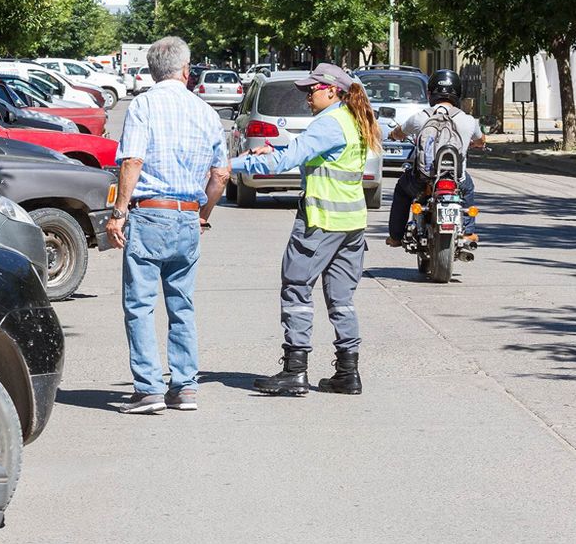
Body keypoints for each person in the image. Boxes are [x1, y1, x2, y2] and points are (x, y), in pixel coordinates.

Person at [230, 62, 381, 396]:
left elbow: (284, 162)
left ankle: (295, 370)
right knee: (341, 298)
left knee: (296, 288)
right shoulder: (352, 119)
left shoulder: (328, 123)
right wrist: (279, 148)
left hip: (320, 222)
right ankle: (347, 372)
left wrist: (229, 165)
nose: (307, 96)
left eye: (311, 89)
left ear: (332, 90)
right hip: (351, 225)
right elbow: (312, 154)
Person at [107, 36, 231, 414]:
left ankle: (148, 389)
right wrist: (202, 214)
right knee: (182, 304)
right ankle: (185, 387)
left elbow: (132, 162)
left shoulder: (144, 104)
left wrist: (119, 212)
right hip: (186, 215)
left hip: (150, 212)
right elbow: (221, 174)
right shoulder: (206, 112)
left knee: (140, 304)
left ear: (151, 71)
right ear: (186, 71)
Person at [384, 69, 486, 248]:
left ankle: (396, 236)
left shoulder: (420, 117)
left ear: (430, 93)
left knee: (402, 190)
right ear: (458, 94)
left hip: (423, 178)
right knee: (468, 187)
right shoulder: (468, 120)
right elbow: (481, 140)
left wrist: (393, 135)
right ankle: (468, 232)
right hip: (455, 179)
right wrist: (477, 144)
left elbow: (399, 133)